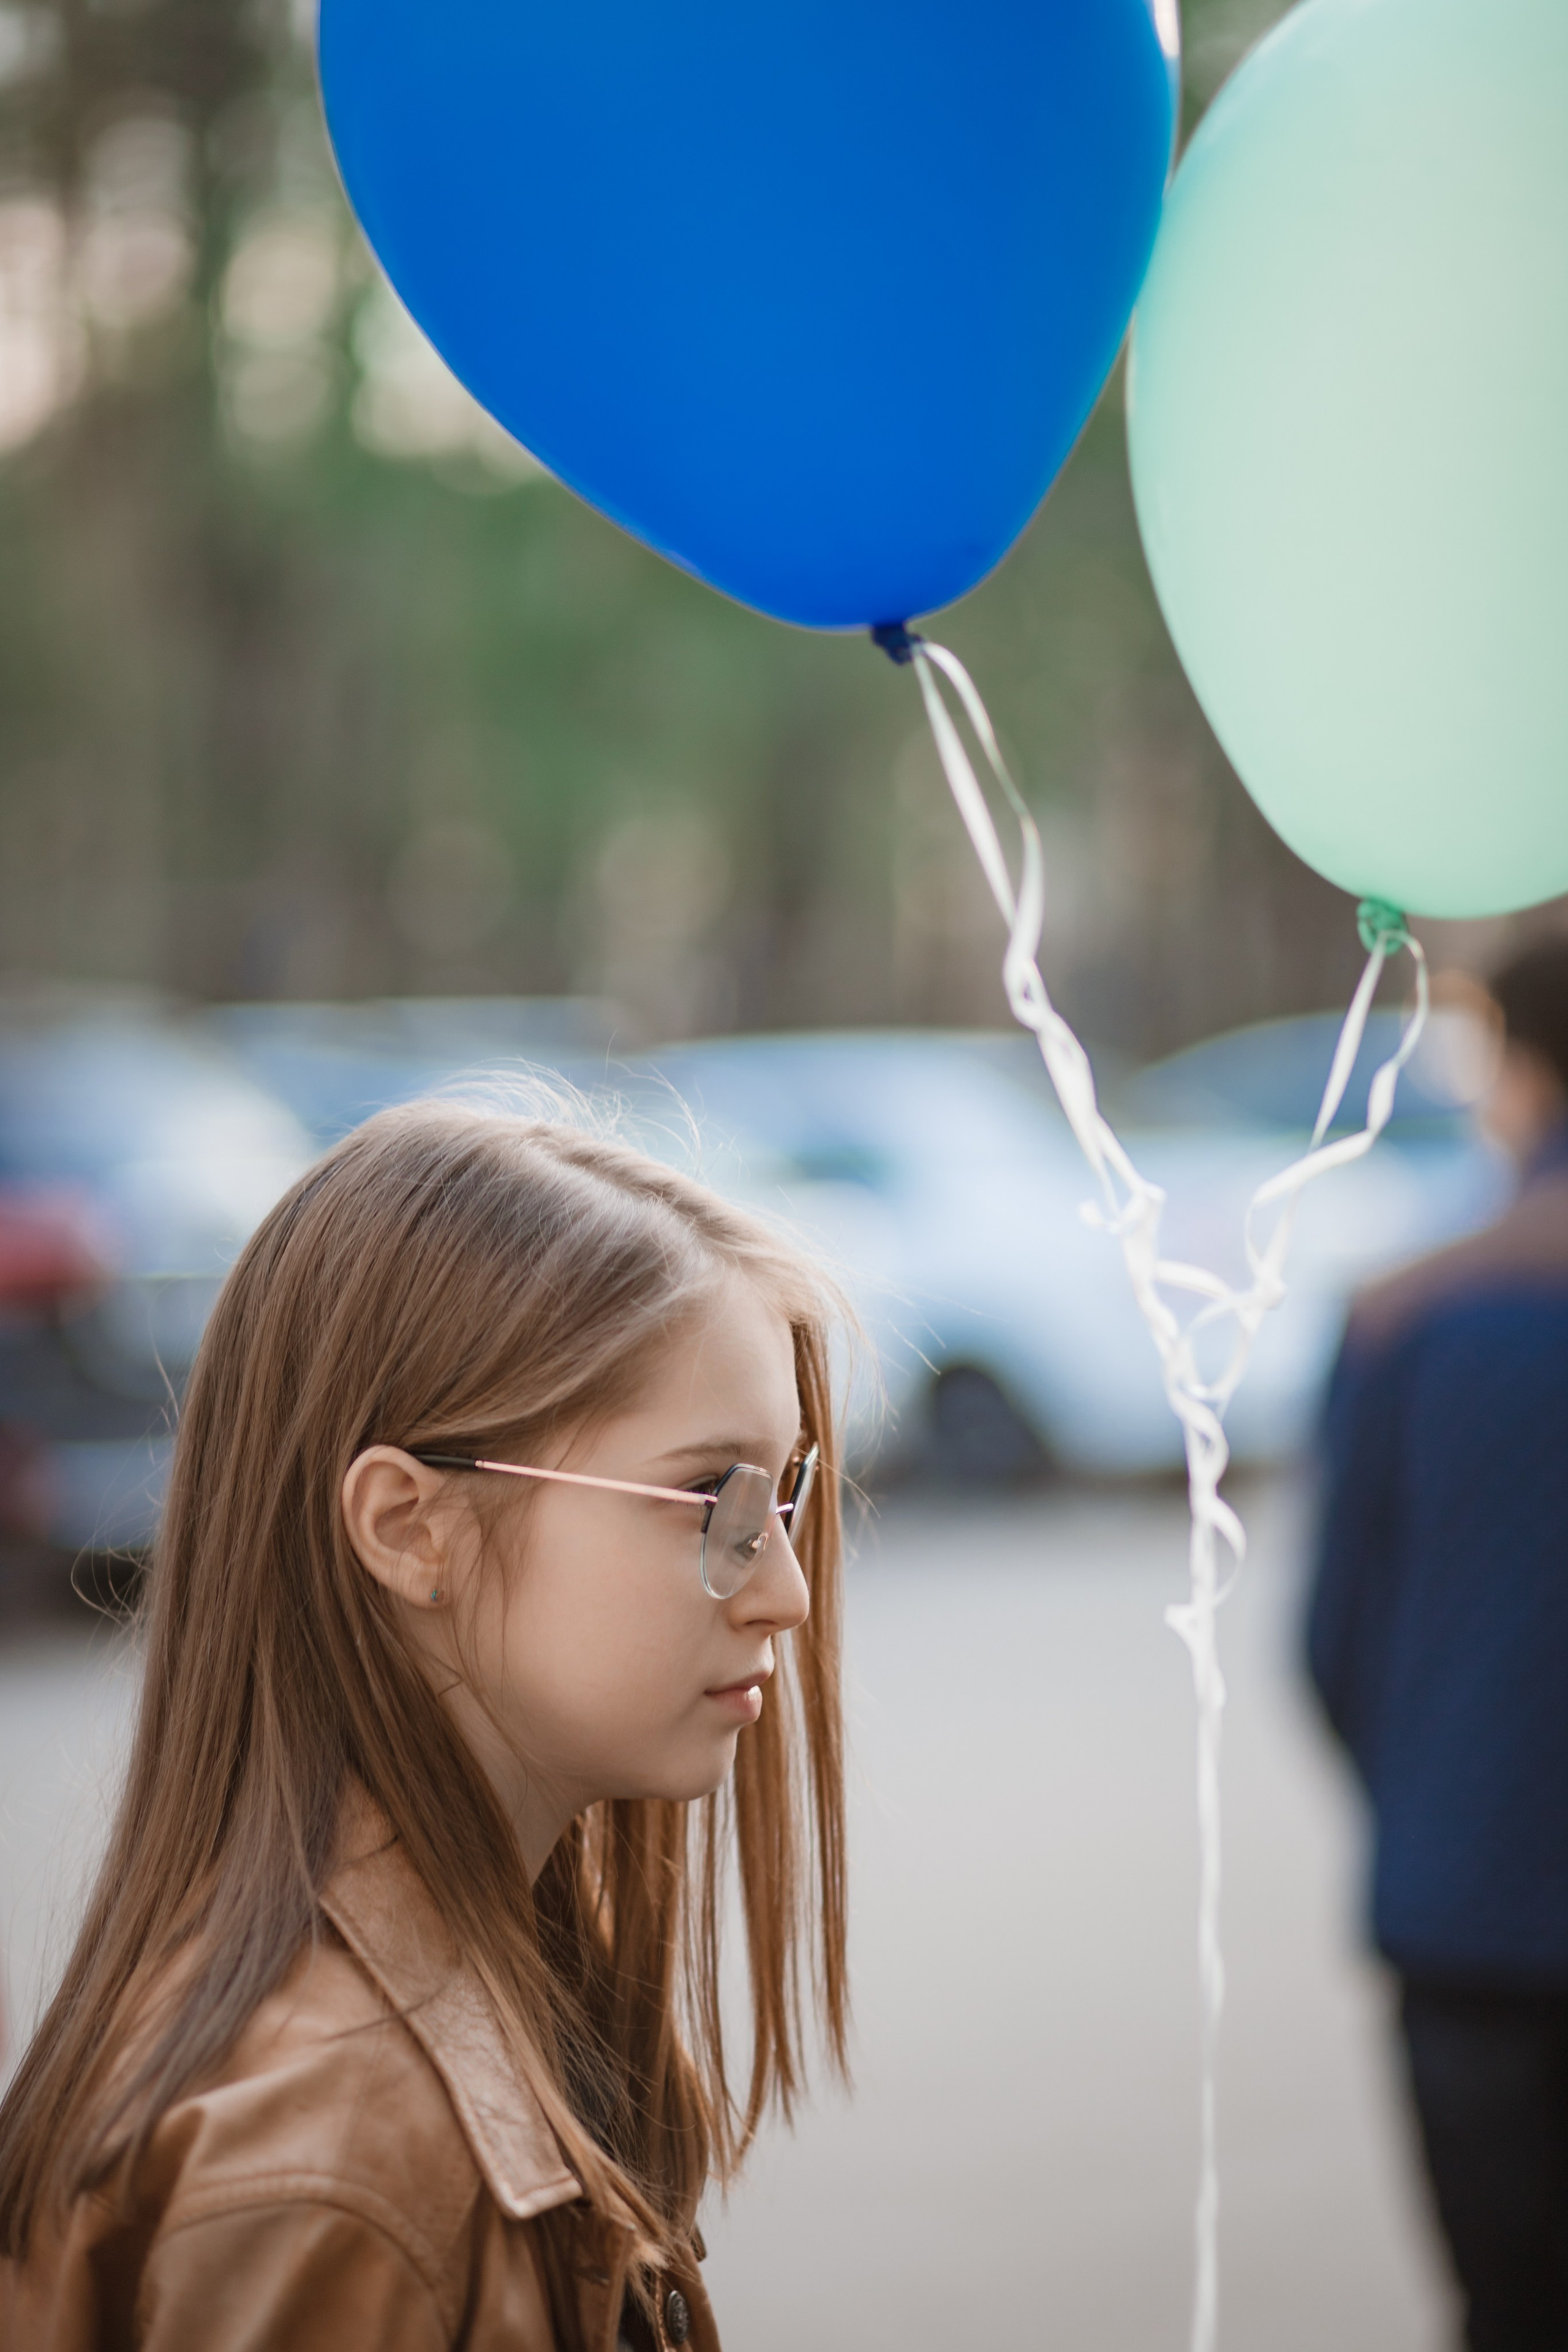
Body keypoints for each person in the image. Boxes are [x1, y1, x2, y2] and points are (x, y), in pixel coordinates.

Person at [0, 1098, 848, 2351]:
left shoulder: (471, 2007)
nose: (784, 1592)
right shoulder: (330, 2166)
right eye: (705, 1496)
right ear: (407, 1528)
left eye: (783, 1494)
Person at [1306, 938, 1568, 2352]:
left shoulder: (1406, 1313)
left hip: (1464, 1910)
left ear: (1512, 1067)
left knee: (1506, 2309)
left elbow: (1332, 1642)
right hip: (1462, 1886)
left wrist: (1445, 1797)